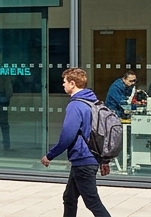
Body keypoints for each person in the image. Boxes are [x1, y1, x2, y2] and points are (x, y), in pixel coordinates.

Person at [42, 67, 113, 217]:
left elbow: (67, 136)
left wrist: (50, 155)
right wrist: (103, 160)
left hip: (83, 160)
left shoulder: (76, 106)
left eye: (65, 82)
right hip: (87, 159)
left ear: (72, 83)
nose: (63, 85)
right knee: (69, 197)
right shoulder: (94, 102)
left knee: (92, 201)